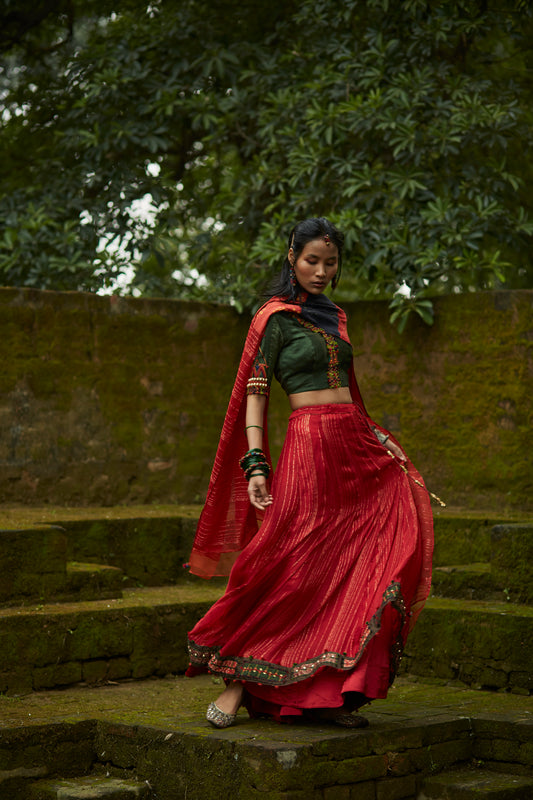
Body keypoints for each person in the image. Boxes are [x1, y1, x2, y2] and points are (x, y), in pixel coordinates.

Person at [186, 217, 433, 728]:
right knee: (292, 559)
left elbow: (349, 392)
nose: (321, 271)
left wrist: (378, 437)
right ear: (292, 258)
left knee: (370, 556)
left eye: (330, 263)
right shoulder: (274, 318)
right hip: (310, 444)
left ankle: (332, 692)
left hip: (355, 445)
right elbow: (256, 395)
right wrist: (256, 463)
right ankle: (239, 680)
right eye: (311, 261)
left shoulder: (336, 317)